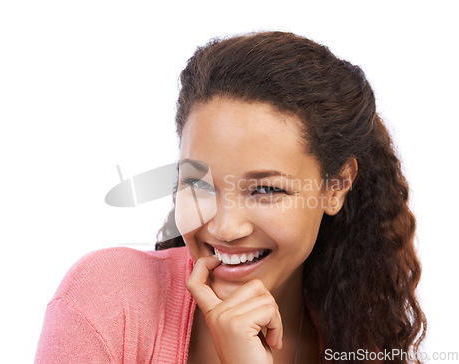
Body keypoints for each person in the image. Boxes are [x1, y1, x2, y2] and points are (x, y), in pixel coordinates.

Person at [35, 31, 426, 363]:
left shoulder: (362, 344)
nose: (224, 227)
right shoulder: (107, 299)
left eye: (266, 189)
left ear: (336, 187)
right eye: (199, 184)